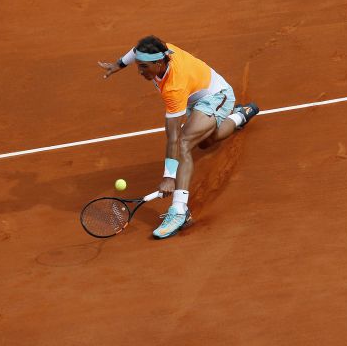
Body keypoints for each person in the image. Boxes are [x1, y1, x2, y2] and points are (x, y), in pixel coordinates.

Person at [99, 35, 259, 239]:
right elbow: (136, 50)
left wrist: (169, 177)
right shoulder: (159, 52)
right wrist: (118, 64)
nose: (140, 71)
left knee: (184, 142)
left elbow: (173, 136)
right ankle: (240, 116)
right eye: (138, 66)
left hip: (216, 96)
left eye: (144, 67)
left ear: (158, 63)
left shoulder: (174, 87)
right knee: (207, 141)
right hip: (194, 97)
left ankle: (179, 211)